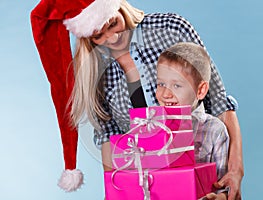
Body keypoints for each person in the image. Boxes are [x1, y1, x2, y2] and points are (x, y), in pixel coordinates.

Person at [30, 0, 243, 199]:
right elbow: (110, 136)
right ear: (88, 38)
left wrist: (235, 171)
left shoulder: (170, 28)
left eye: (113, 23)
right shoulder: (96, 74)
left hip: (203, 166)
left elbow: (218, 101)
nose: (112, 38)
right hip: (148, 185)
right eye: (98, 36)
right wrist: (116, 192)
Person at [156, 42, 229, 200]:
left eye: (176, 85)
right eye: (161, 84)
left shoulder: (214, 130)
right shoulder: (151, 127)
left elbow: (224, 186)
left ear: (200, 90)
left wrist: (219, 197)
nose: (165, 94)